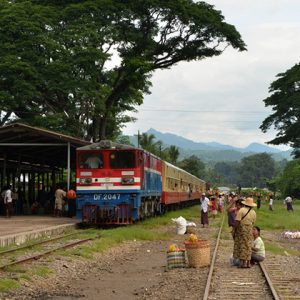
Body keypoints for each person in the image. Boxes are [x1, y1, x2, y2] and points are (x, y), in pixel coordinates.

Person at [234, 197, 257, 268]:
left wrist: (235, 230)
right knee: (248, 245)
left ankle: (242, 263)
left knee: (242, 245)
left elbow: (237, 221)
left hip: (242, 229)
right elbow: (253, 222)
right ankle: (248, 263)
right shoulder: (253, 212)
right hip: (250, 229)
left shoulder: (241, 210)